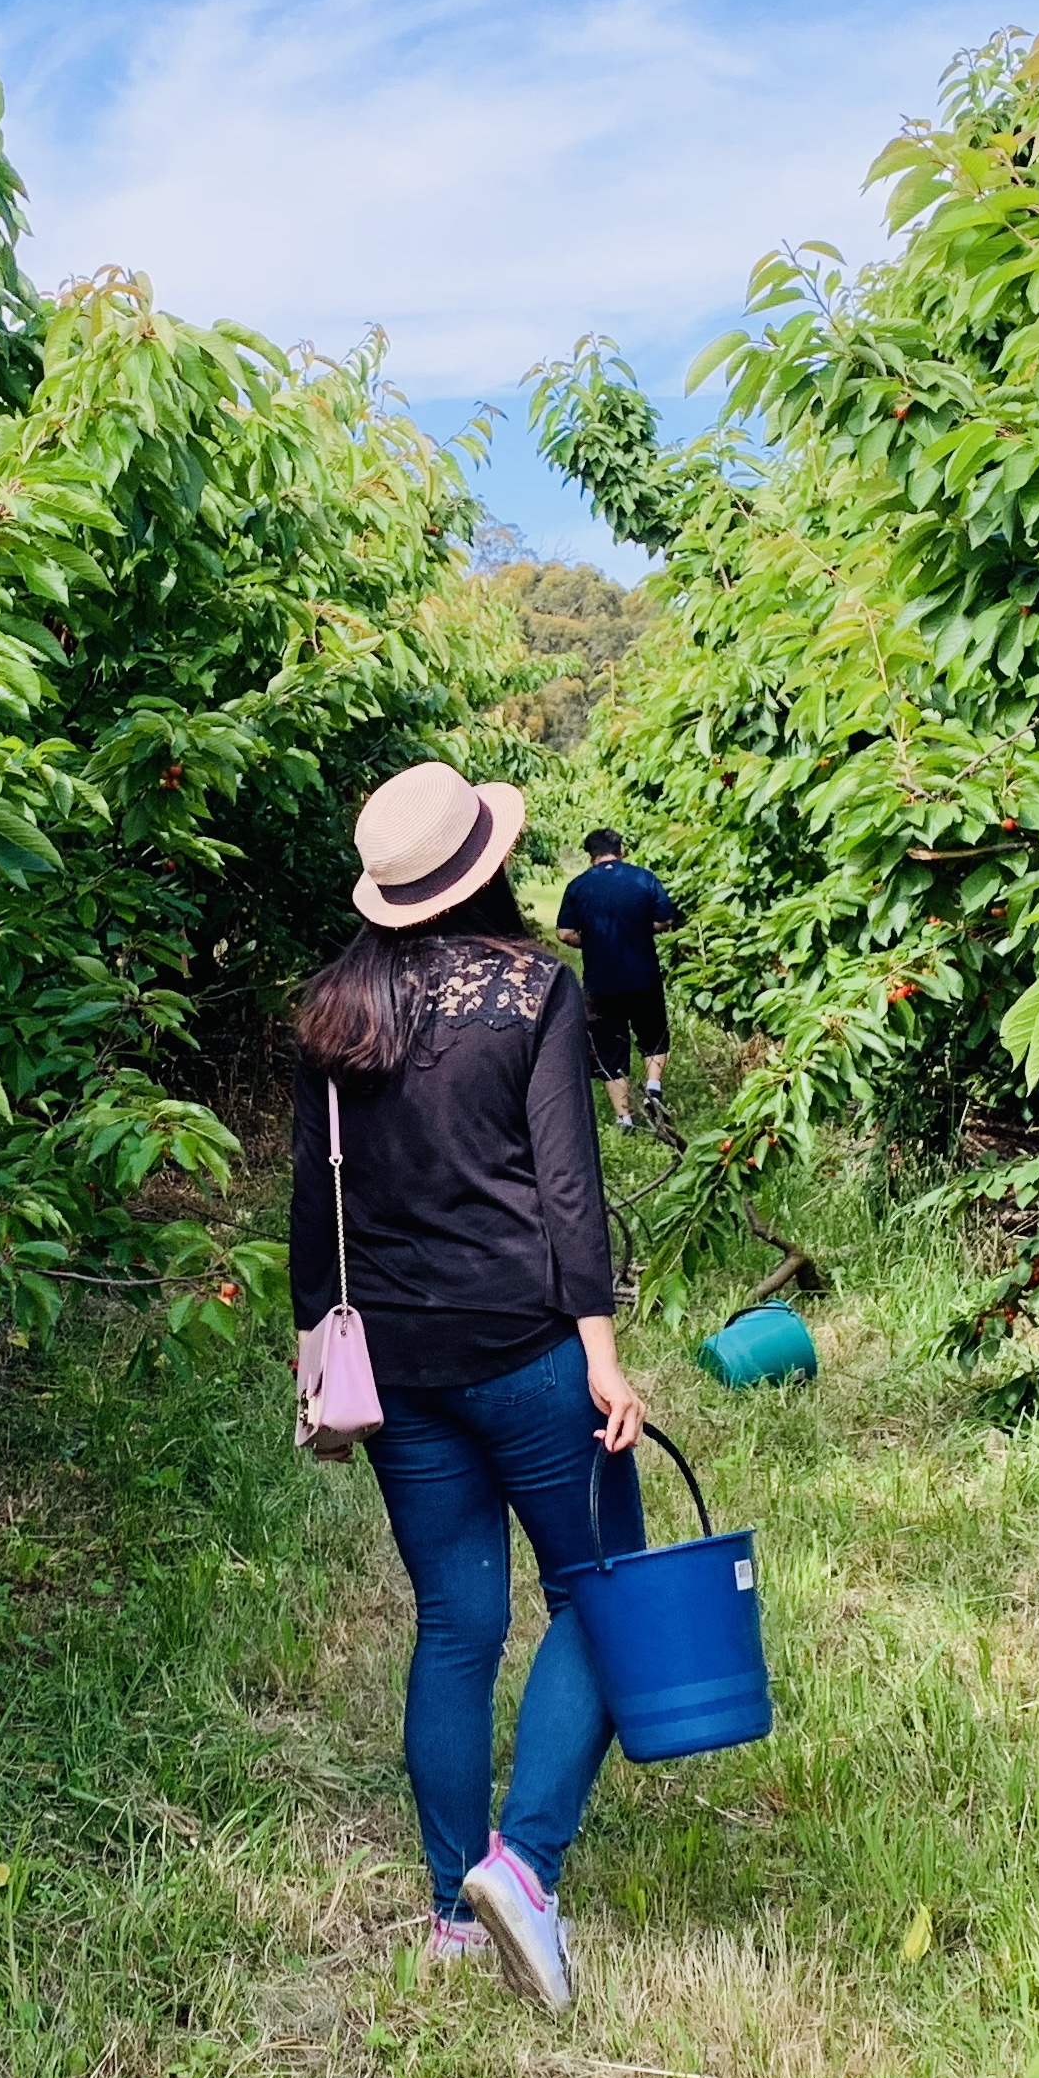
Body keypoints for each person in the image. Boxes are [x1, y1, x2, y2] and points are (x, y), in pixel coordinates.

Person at [293, 759, 648, 2010]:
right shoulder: (534, 991)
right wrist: (601, 1349)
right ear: (488, 865)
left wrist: (316, 1363)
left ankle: (451, 1911)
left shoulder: (335, 1005)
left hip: (394, 1362)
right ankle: (526, 1870)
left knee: (455, 1623)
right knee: (603, 1597)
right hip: (524, 1346)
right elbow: (568, 1190)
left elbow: (310, 1204)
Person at [553, 827, 682, 1132]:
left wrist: (592, 940)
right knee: (653, 1036)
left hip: (601, 983)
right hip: (644, 977)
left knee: (609, 1047)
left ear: (590, 856)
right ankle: (653, 1087)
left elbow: (564, 933)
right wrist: (640, 930)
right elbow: (665, 919)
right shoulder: (644, 878)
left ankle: (624, 1118)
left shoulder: (578, 886)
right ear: (621, 850)